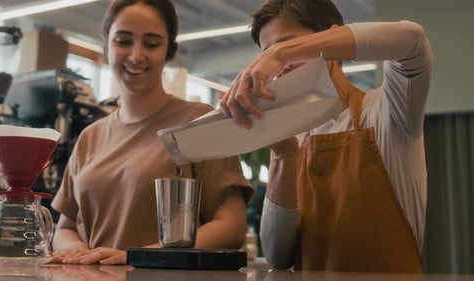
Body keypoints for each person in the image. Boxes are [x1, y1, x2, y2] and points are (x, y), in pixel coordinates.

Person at [220, 0, 433, 273]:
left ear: (330, 39)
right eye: (266, 53)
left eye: (287, 44)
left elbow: (413, 41)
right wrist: (284, 156)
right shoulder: (293, 139)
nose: (278, 67)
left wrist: (282, 54)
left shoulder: (388, 112)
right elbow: (277, 255)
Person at [51, 0, 252, 265]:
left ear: (169, 50)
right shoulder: (91, 136)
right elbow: (65, 227)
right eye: (123, 41)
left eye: (152, 43)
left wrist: (138, 257)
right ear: (106, 45)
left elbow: (231, 227)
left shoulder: (199, 122)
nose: (136, 56)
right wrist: (79, 252)